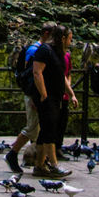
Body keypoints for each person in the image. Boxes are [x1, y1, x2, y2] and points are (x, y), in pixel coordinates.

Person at [31, 22, 71, 177]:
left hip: (56, 96)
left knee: (45, 131)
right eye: (69, 39)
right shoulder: (44, 50)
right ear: (62, 38)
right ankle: (54, 164)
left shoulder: (59, 52)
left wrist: (70, 93)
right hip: (46, 97)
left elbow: (62, 75)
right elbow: (37, 72)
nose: (70, 42)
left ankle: (39, 165)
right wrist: (43, 94)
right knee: (49, 131)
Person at [5, 32, 45, 175]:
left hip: (38, 95)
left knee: (38, 129)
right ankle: (12, 153)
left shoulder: (42, 49)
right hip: (33, 95)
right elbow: (32, 75)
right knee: (32, 128)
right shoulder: (35, 51)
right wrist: (35, 96)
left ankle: (41, 161)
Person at [55, 25, 79, 152]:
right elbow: (60, 74)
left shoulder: (67, 55)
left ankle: (58, 147)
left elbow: (67, 73)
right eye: (70, 39)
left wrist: (68, 87)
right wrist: (71, 92)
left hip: (64, 93)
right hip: (56, 93)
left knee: (62, 122)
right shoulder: (55, 55)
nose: (71, 42)